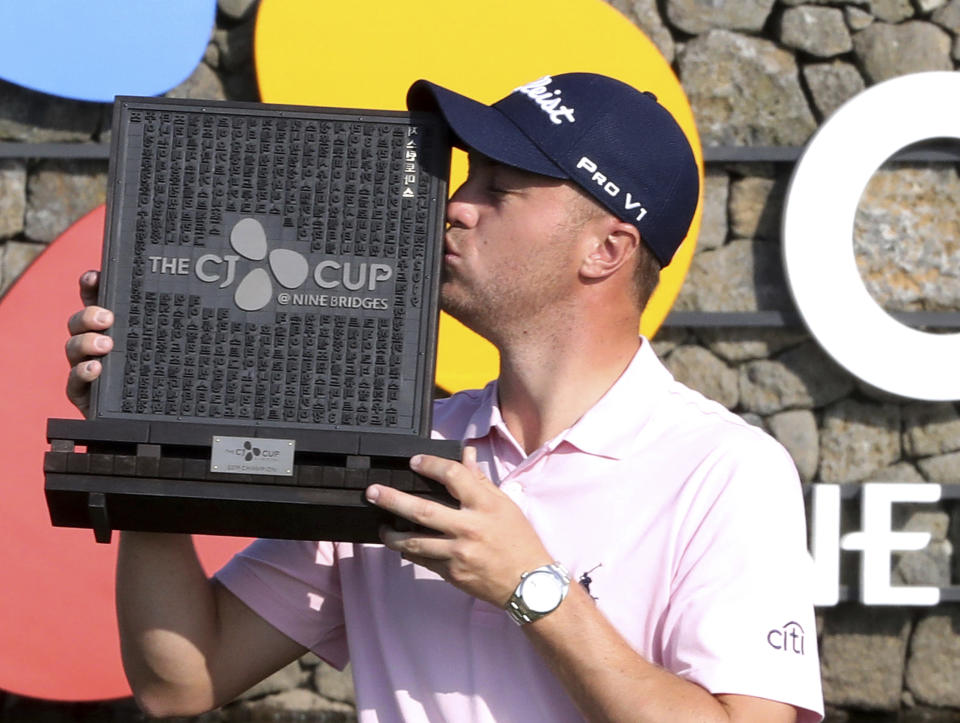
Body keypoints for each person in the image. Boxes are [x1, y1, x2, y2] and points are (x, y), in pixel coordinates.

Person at [65, 73, 823, 722]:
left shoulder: (725, 470)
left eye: (499, 187)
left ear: (607, 250)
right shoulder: (390, 445)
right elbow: (181, 681)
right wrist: (141, 433)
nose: (454, 205)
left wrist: (533, 589)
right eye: (466, 180)